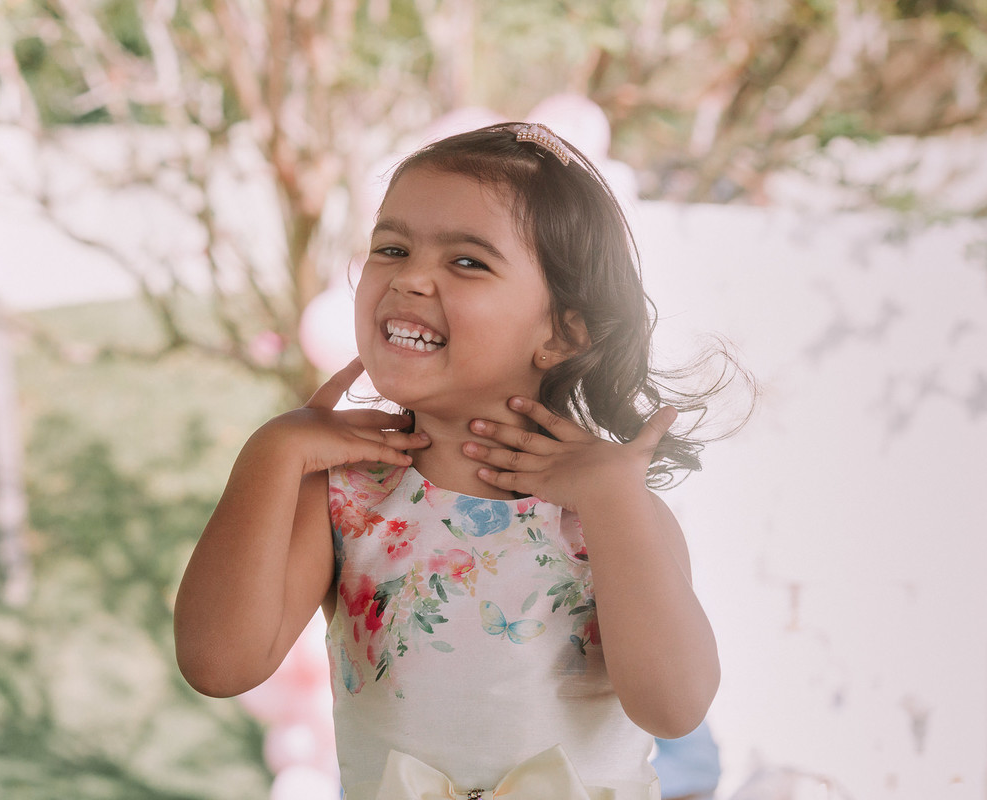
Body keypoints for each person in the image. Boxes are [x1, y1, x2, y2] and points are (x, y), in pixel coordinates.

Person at [175, 122, 743, 800]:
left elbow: (674, 708)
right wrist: (271, 453)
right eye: (391, 247)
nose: (410, 277)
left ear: (561, 331)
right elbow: (218, 665)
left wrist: (616, 502)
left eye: (467, 261)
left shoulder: (611, 513)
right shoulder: (345, 503)